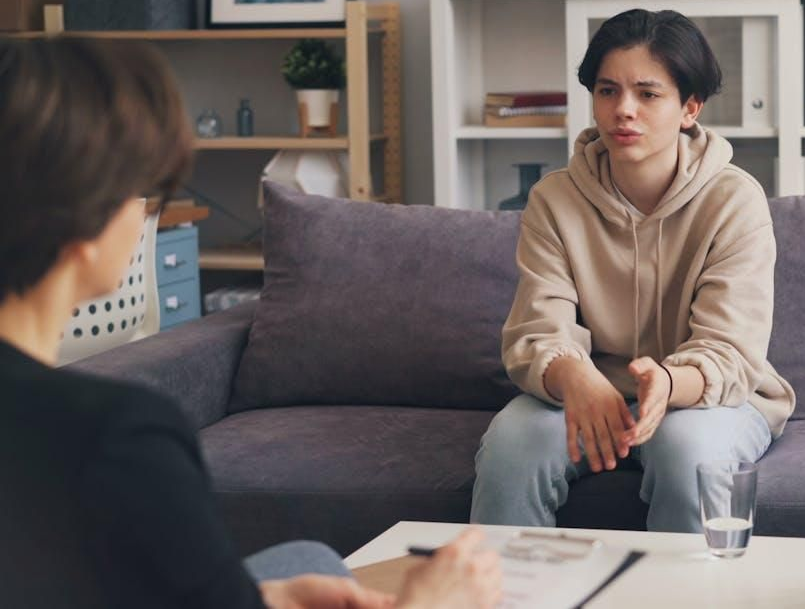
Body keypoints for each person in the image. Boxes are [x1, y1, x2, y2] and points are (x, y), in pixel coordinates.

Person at [0, 37, 501, 609]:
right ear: (83, 226)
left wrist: (267, 599)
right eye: (141, 190)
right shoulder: (115, 438)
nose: (146, 213)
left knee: (304, 561)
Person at [471, 9, 796, 532]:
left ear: (690, 107)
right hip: (587, 390)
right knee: (513, 447)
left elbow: (731, 350)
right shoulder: (555, 199)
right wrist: (575, 374)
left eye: (648, 94)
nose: (623, 110)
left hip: (703, 396)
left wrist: (667, 381)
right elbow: (537, 328)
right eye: (607, 91)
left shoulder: (735, 200)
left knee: (688, 451)